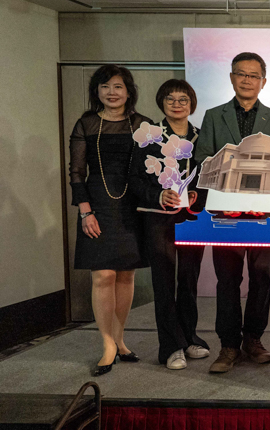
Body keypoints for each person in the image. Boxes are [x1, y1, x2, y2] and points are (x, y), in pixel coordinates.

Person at [194, 52, 270, 374]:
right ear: (232, 77)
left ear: (264, 81)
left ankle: (253, 340)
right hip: (225, 212)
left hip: (265, 213)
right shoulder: (213, 116)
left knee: (261, 276)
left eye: (253, 75)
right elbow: (203, 159)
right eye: (241, 74)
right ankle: (229, 345)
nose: (247, 80)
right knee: (227, 280)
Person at [69, 65, 153, 376]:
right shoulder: (87, 123)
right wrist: (85, 211)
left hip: (133, 205)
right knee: (103, 275)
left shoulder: (143, 124)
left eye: (118, 86)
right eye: (105, 86)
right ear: (97, 92)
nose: (111, 92)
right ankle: (106, 344)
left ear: (129, 91)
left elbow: (153, 167)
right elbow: (77, 172)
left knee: (126, 276)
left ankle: (119, 339)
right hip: (98, 205)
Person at [131, 79, 210, 371]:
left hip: (191, 217)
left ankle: (189, 338)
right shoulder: (148, 135)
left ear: (192, 104)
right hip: (158, 217)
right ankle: (170, 346)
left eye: (183, 99)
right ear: (161, 102)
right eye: (170, 99)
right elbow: (134, 179)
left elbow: (210, 177)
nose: (177, 104)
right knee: (163, 283)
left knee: (189, 280)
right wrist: (158, 194)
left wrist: (197, 195)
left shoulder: (202, 137)